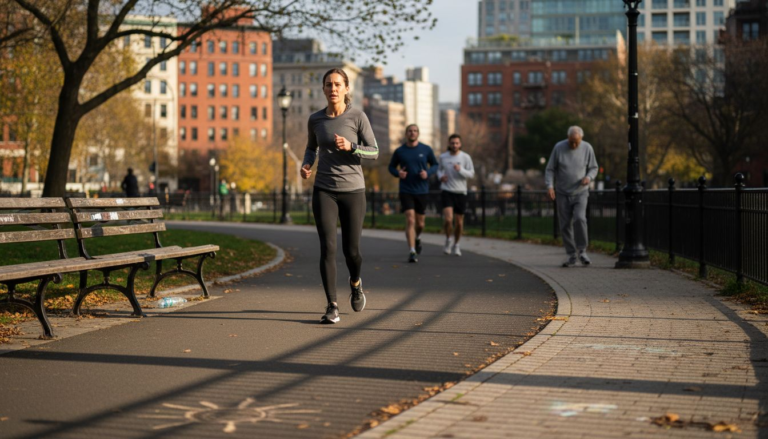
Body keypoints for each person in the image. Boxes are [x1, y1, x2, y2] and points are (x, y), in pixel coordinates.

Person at [301, 68, 379, 324]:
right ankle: (332, 305)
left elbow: (374, 152)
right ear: (323, 89)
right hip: (324, 189)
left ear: (346, 89)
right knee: (328, 248)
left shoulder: (357, 116)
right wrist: (307, 164)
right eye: (328, 84)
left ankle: (355, 283)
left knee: (352, 251)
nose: (332, 89)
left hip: (353, 191)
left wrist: (352, 146)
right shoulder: (315, 119)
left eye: (337, 84)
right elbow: (311, 148)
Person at [545, 126, 599, 267]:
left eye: (576, 142)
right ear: (567, 138)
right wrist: (550, 186)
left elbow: (594, 167)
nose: (574, 145)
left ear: (581, 138)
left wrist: (588, 177)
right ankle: (571, 254)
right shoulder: (559, 147)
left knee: (580, 219)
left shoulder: (587, 148)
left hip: (581, 191)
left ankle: (582, 250)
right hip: (562, 192)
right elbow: (550, 169)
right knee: (565, 225)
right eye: (571, 142)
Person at [388, 124, 438, 263]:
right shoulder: (400, 151)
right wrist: (398, 173)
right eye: (410, 131)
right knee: (410, 219)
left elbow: (435, 164)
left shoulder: (426, 149)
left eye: (415, 131)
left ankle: (417, 238)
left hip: (422, 190)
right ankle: (412, 251)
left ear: (418, 133)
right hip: (406, 189)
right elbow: (391, 167)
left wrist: (427, 173)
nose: (412, 133)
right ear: (406, 134)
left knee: (420, 223)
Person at [438, 134, 475, 257]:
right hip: (447, 191)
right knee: (448, 219)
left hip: (461, 192)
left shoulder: (465, 157)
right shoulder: (443, 157)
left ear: (460, 144)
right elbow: (439, 170)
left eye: (457, 143)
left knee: (459, 222)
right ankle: (448, 240)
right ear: (449, 144)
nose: (454, 145)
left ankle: (457, 244)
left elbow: (471, 174)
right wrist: (440, 177)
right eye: (452, 143)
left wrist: (460, 170)